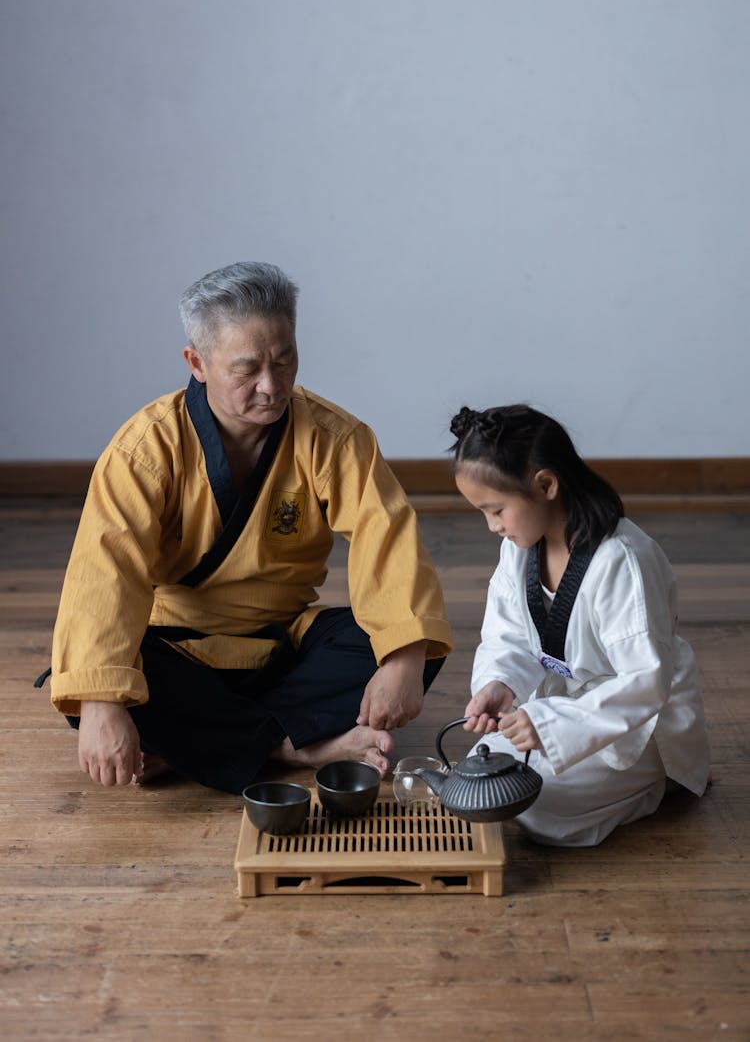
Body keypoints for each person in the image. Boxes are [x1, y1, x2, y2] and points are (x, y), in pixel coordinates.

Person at [42, 262, 452, 794]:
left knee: (401, 648)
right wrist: (99, 704)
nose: (271, 385)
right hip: (176, 647)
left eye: (285, 361)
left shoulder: (334, 437)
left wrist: (401, 659)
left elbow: (388, 539)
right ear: (198, 363)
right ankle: (294, 744)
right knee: (92, 686)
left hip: (279, 642)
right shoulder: (145, 450)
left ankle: (208, 745)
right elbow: (105, 575)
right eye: (248, 368)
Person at [450, 403, 710, 847]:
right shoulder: (520, 546)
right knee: (479, 767)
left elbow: (645, 683)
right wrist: (501, 683)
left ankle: (658, 782)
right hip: (564, 706)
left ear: (546, 485)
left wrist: (551, 724)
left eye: (496, 510)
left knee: (543, 801)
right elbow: (507, 634)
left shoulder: (623, 560)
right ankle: (574, 766)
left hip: (635, 722)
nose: (492, 526)